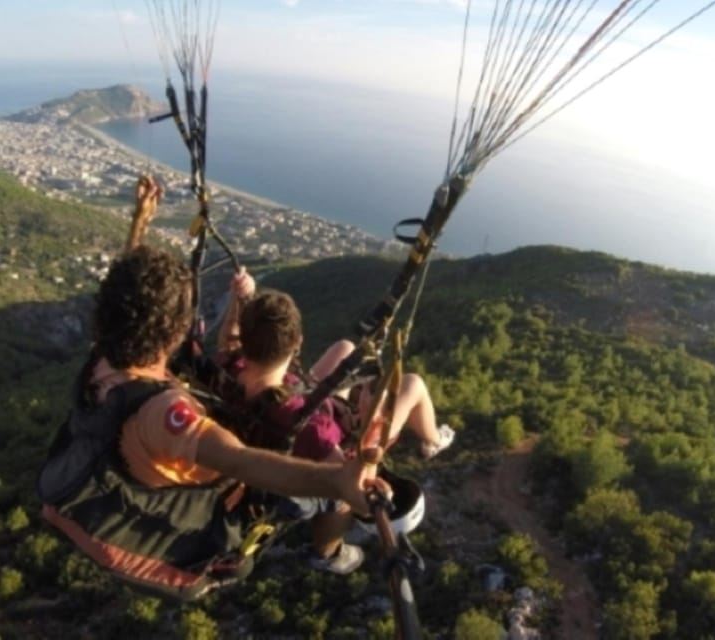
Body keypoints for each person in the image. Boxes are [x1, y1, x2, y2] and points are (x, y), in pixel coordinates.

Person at [38, 202, 388, 599]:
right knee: (321, 504)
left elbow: (125, 298)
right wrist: (336, 482)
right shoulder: (163, 413)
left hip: (131, 465)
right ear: (173, 335)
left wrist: (138, 226)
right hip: (215, 514)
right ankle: (328, 552)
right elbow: (239, 459)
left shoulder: (106, 356)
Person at [215, 285, 454, 572]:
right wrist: (369, 418)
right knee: (412, 385)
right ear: (297, 343)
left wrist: (238, 300)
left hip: (291, 397)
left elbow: (228, 341)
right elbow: (348, 483)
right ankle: (434, 440)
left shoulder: (229, 365)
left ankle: (430, 438)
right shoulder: (314, 432)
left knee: (345, 348)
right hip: (306, 418)